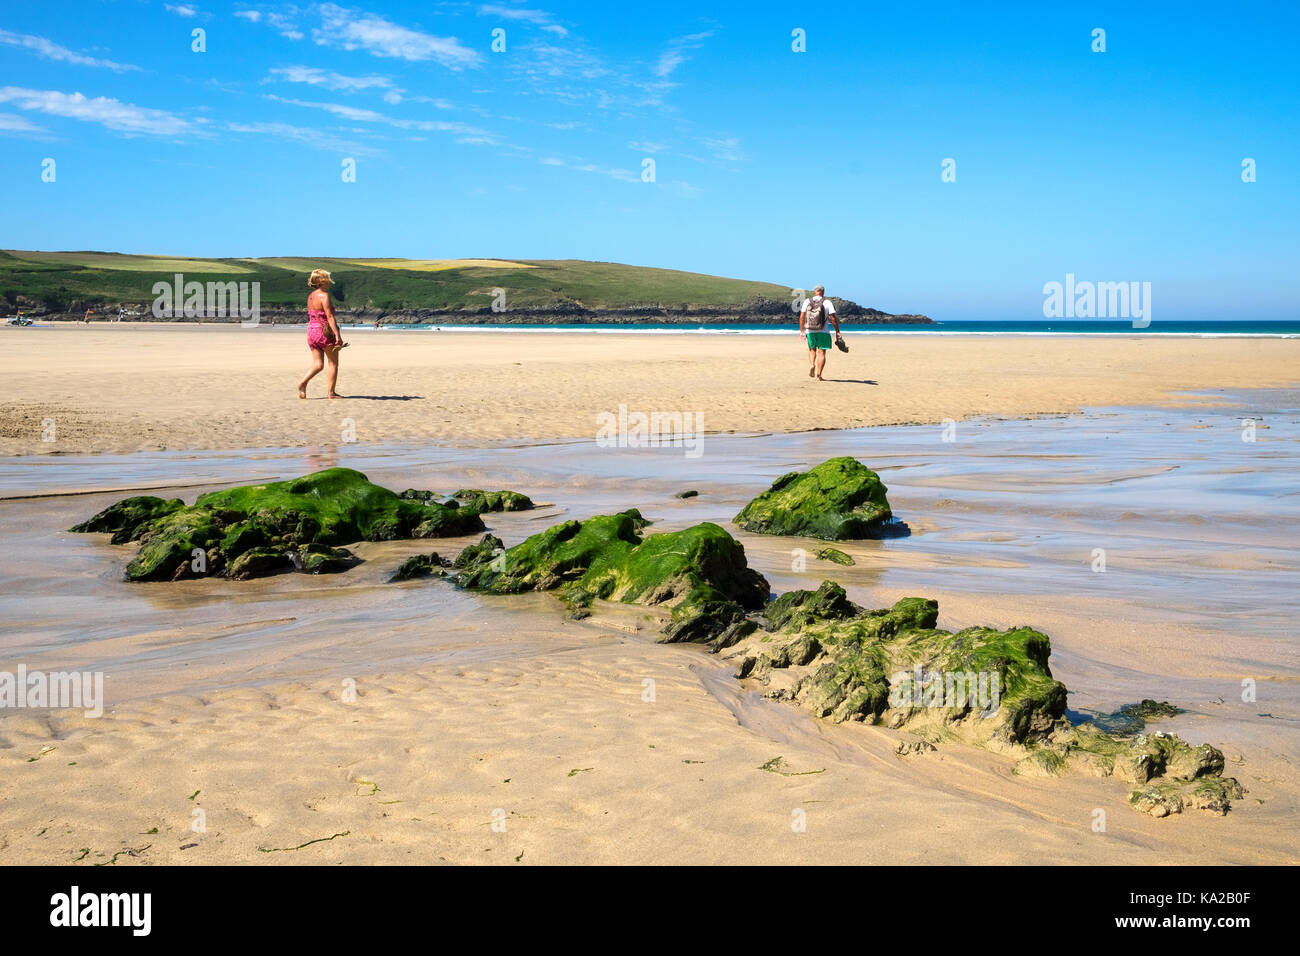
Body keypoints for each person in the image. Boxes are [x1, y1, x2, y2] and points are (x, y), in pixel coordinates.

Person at [297, 269, 347, 399]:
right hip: (324, 332)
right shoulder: (324, 296)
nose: (329, 283)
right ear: (322, 281)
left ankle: (303, 383)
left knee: (318, 365)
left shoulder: (311, 296)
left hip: (312, 331)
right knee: (333, 363)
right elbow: (329, 317)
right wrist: (337, 335)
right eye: (327, 280)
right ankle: (331, 393)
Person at [799, 285, 843, 380]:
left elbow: (802, 316)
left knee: (812, 349)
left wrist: (802, 331)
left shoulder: (807, 301)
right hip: (823, 331)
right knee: (822, 352)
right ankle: (819, 376)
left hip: (810, 330)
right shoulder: (827, 302)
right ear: (823, 292)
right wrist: (837, 331)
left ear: (815, 292)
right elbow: (832, 318)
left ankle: (812, 365)